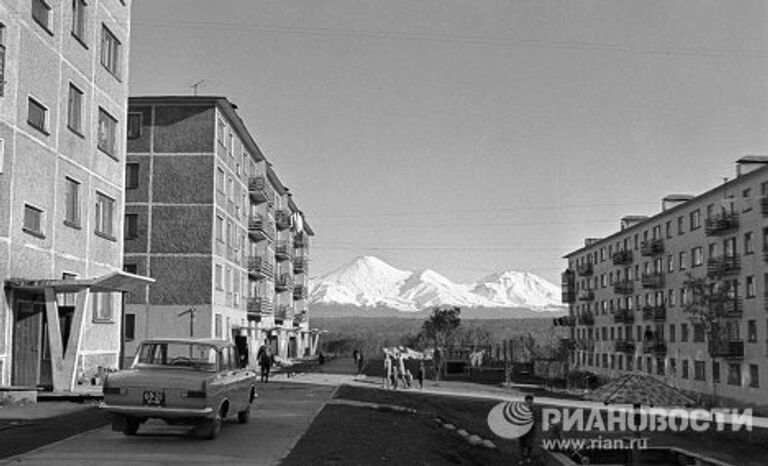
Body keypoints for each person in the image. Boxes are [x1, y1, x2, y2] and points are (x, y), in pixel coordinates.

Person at [518, 395, 537, 465]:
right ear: (525, 401)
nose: (529, 403)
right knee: (522, 445)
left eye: (531, 402)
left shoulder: (534, 410)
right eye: (528, 402)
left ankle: (528, 457)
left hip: (530, 430)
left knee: (530, 444)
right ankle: (522, 458)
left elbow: (534, 420)